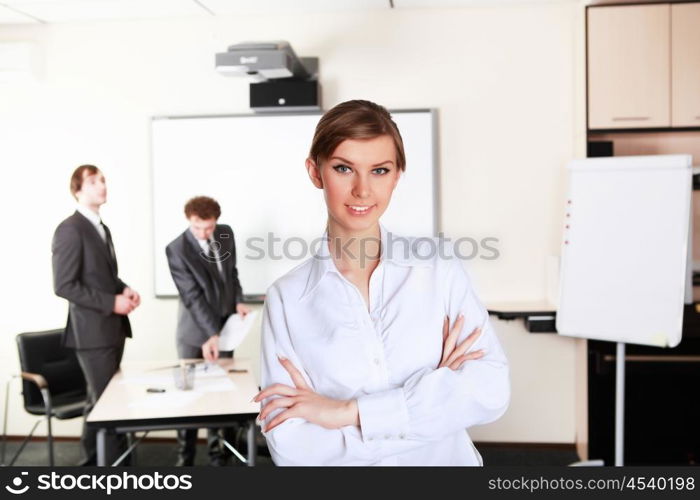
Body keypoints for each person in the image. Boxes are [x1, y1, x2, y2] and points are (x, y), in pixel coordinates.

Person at [255, 100, 510, 465]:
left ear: (397, 174)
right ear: (316, 172)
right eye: (344, 168)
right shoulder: (287, 299)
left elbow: (489, 393)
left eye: (379, 170)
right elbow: (295, 448)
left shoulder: (438, 270)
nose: (362, 190)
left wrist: (345, 413)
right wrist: (437, 401)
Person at [52, 164, 140, 466]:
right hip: (92, 334)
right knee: (109, 406)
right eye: (93, 181)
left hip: (111, 330)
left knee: (98, 401)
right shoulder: (70, 229)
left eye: (103, 180)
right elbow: (64, 285)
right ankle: (118, 474)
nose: (102, 185)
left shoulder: (101, 227)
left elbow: (102, 277)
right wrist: (110, 303)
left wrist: (124, 290)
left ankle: (91, 464)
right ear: (78, 190)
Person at [165, 196, 250, 466]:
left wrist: (237, 299)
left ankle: (218, 456)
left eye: (208, 228)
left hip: (225, 329)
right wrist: (210, 334)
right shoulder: (177, 249)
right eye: (197, 228)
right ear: (189, 221)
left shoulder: (225, 234)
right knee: (188, 397)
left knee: (220, 394)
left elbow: (231, 273)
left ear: (216, 222)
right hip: (193, 334)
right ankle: (185, 460)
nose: (203, 234)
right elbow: (192, 296)